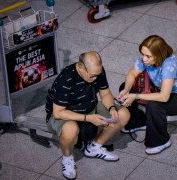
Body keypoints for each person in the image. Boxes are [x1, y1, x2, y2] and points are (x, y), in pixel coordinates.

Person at [45, 51, 130, 179]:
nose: (95, 78)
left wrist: (112, 108)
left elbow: (105, 94)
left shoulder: (97, 71)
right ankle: (67, 158)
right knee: (70, 129)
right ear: (80, 67)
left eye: (98, 74)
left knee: (123, 114)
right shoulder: (66, 78)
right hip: (66, 115)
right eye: (92, 76)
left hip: (90, 109)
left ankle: (94, 147)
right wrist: (88, 118)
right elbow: (58, 113)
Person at [118, 35, 177, 155]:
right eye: (143, 54)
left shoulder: (169, 64)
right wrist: (127, 90)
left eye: (148, 56)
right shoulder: (146, 60)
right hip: (161, 89)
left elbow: (164, 96)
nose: (144, 59)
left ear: (159, 54)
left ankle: (161, 141)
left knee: (154, 105)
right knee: (125, 87)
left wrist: (136, 96)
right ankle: (139, 121)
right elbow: (132, 73)